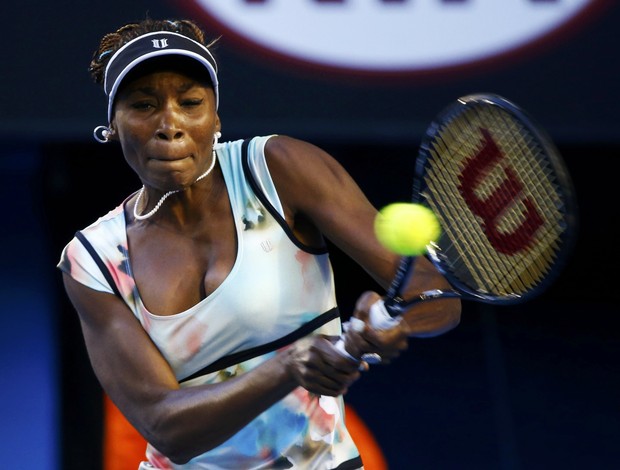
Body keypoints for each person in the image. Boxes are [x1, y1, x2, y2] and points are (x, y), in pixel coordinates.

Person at [57, 18, 461, 469]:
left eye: (190, 102)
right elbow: (166, 428)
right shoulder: (92, 261)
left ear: (215, 118)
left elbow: (432, 290)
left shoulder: (280, 170)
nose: (169, 124)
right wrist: (289, 366)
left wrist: (394, 323)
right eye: (143, 105)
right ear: (112, 126)